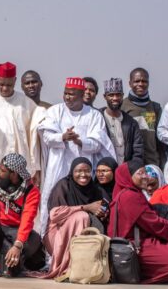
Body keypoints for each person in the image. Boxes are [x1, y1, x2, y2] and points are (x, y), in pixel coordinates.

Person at [38, 77, 115, 236]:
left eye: (72, 94)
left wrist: (80, 141)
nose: (67, 97)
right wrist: (62, 137)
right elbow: (46, 137)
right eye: (65, 93)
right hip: (58, 167)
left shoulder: (94, 115)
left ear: (81, 95)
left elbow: (97, 144)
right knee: (51, 202)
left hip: (84, 171)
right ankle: (49, 245)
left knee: (83, 205)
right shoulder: (55, 111)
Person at [108, 159, 168, 284]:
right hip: (134, 247)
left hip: (135, 243)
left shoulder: (126, 192)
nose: (145, 177)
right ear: (129, 176)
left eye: (145, 173)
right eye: (140, 173)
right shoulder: (130, 196)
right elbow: (154, 224)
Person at [43, 157, 108, 279]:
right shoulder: (63, 185)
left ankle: (85, 265)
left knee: (86, 218)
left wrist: (102, 213)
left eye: (87, 171)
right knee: (81, 217)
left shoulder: (95, 189)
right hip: (58, 235)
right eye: (79, 171)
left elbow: (103, 209)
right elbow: (54, 215)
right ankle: (69, 266)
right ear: (72, 172)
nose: (83, 174)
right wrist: (85, 207)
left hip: (84, 234)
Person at [0, 62, 43, 185]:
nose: (4, 88)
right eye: (1, 84)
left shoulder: (27, 104)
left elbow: (35, 134)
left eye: (9, 85)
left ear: (15, 81)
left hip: (18, 161)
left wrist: (36, 167)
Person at [121, 67, 166, 167]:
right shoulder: (122, 106)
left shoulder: (155, 107)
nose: (140, 84)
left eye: (144, 81)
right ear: (130, 83)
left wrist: (162, 164)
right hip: (131, 164)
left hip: (152, 163)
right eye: (137, 81)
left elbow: (160, 140)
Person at [100, 78, 143, 164]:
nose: (115, 98)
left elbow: (138, 151)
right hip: (103, 172)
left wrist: (130, 169)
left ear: (122, 96)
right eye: (111, 95)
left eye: (118, 95)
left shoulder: (131, 123)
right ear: (105, 97)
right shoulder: (98, 118)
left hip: (124, 171)